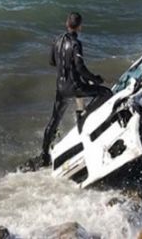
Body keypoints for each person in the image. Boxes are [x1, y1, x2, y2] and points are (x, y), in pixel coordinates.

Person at [41, 12, 112, 166]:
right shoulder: (75, 43)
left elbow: (52, 62)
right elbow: (80, 67)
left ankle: (44, 155)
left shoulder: (56, 40)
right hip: (74, 86)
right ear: (80, 26)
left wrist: (66, 67)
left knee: (54, 120)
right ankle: (83, 115)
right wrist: (95, 79)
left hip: (60, 88)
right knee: (106, 93)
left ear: (67, 23)